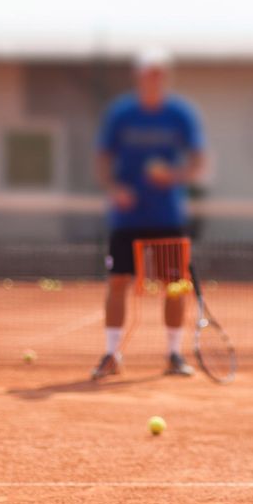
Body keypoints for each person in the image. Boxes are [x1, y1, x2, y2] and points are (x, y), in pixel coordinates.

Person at [91, 48, 206, 380]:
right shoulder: (121, 113)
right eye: (148, 73)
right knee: (117, 282)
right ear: (139, 77)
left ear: (165, 77)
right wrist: (114, 189)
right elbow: (102, 159)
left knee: (174, 286)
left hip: (167, 217)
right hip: (127, 218)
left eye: (159, 73)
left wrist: (173, 176)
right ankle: (112, 355)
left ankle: (174, 354)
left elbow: (197, 162)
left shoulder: (180, 114)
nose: (153, 79)